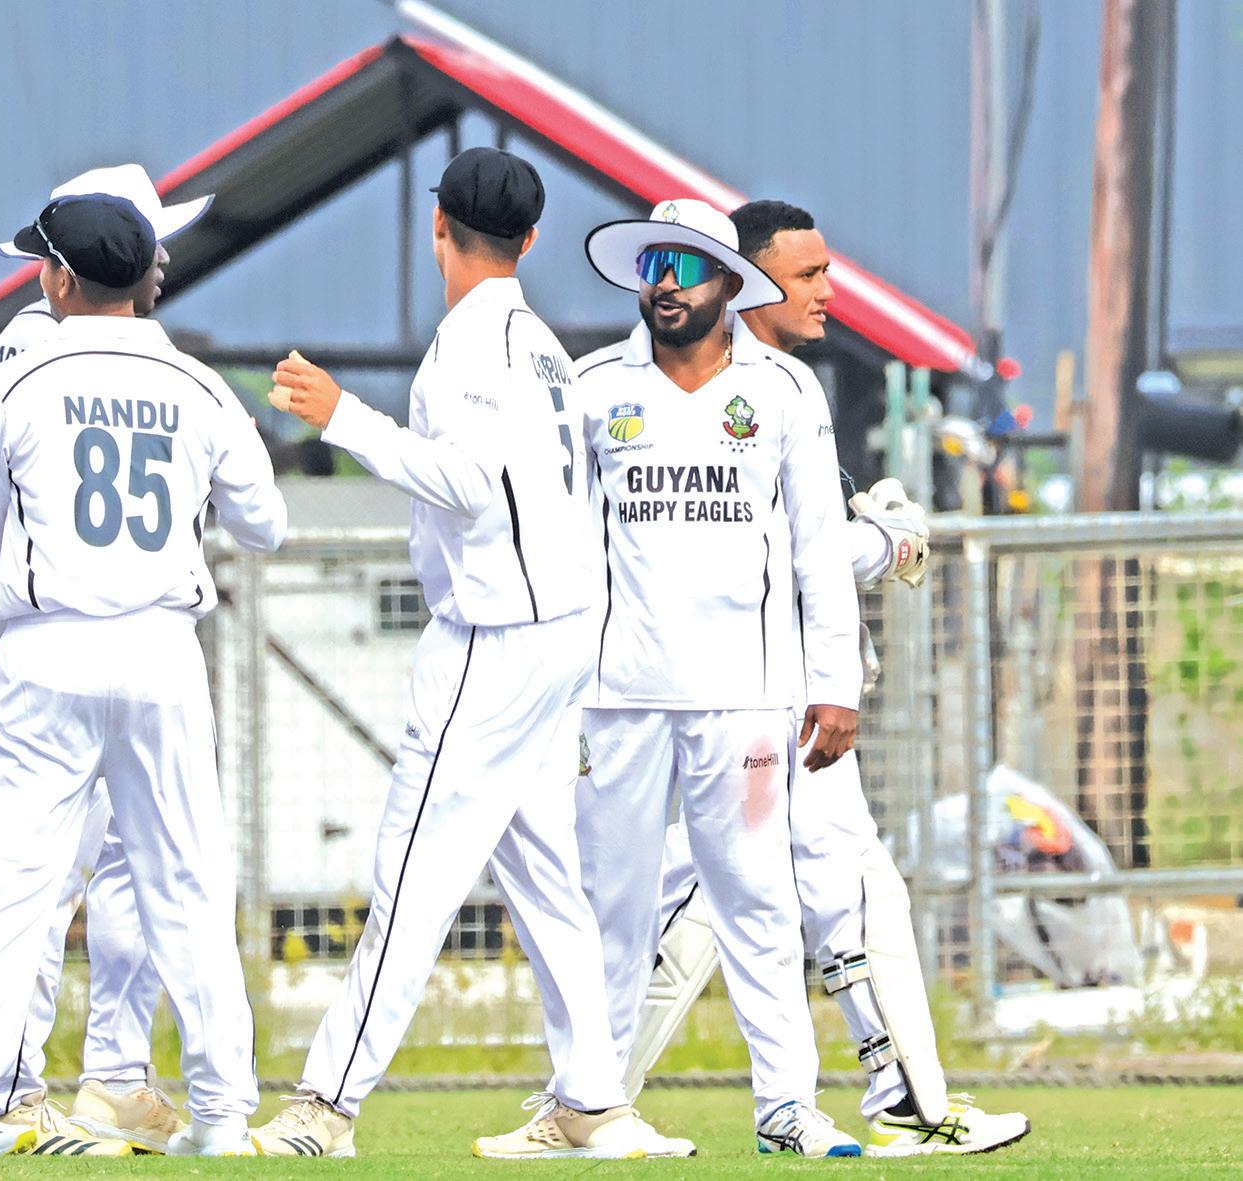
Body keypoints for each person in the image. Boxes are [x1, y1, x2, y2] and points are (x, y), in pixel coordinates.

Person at [245, 148, 686, 1162]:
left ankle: (325, 1103)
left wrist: (343, 416)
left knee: (412, 871)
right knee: (543, 873)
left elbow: (466, 482)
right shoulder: (541, 343)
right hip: (560, 628)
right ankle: (592, 1100)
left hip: (495, 639)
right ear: (530, 238)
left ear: (435, 222)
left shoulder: (472, 343)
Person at [605, 199, 1026, 1156]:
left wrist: (869, 543)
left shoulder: (784, 389)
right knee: (839, 887)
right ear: (746, 283)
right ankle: (904, 1100)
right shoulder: (711, 391)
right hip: (758, 695)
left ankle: (592, 1093)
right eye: (807, 275)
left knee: (715, 894)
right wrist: (888, 539)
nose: (827, 291)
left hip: (769, 694)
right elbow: (790, 550)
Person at [0, 192, 287, 1157]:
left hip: (45, 647)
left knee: (9, 892)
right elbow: (265, 523)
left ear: (57, 277)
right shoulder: (199, 385)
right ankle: (221, 1114)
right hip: (161, 648)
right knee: (189, 886)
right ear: (142, 276)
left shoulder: (18, 378)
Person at [565, 197, 860, 1157]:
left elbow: (819, 547)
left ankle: (785, 1107)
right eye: (652, 264)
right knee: (607, 907)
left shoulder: (782, 390)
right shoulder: (591, 386)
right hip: (616, 697)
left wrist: (836, 683)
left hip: (745, 699)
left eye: (685, 266)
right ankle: (586, 1102)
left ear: (730, 282)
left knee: (757, 905)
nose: (664, 283)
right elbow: (563, 549)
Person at [0, 163, 209, 1153]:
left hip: (89, 646)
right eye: (149, 240)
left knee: (121, 874)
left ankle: (114, 1071)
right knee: (41, 877)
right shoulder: (35, 350)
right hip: (59, 643)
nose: (161, 261)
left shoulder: (75, 349)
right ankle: (12, 1083)